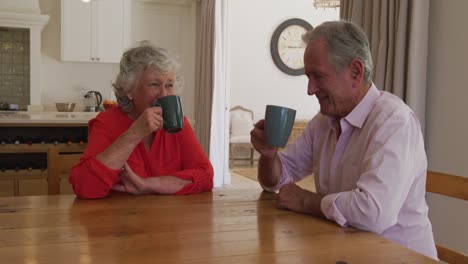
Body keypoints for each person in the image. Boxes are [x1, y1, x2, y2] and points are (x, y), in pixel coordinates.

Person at [250, 21, 437, 259]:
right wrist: (269, 155)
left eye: (317, 76)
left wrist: (307, 201)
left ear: (356, 72)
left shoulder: (393, 121)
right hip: (346, 252)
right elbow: (277, 181)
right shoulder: (324, 121)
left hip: (399, 257)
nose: (310, 89)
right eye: (308, 77)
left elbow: (372, 213)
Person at [70, 42, 213, 199]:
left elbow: (205, 176)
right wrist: (135, 133)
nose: (164, 94)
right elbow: (85, 187)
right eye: (154, 84)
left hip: (168, 219)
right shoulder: (107, 123)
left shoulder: (178, 123)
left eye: (169, 85)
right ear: (129, 90)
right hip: (118, 219)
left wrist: (146, 184)